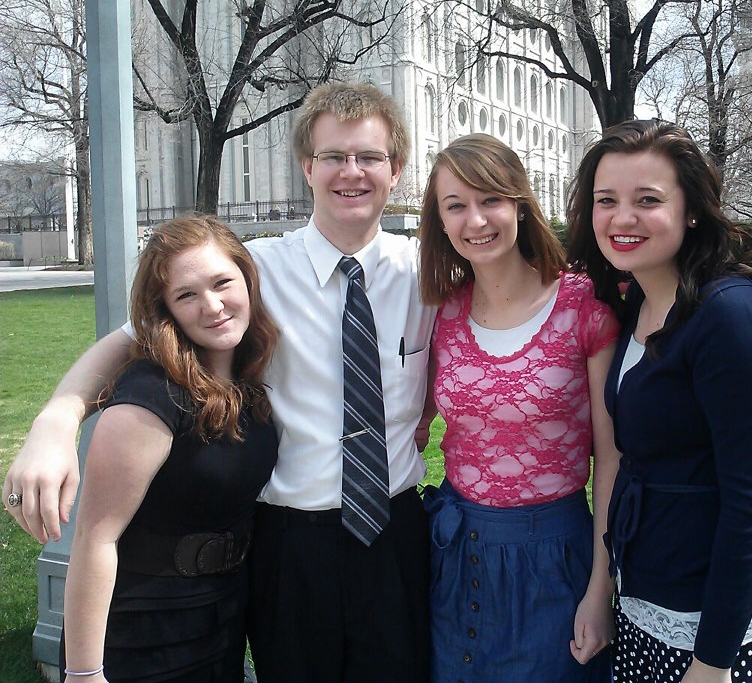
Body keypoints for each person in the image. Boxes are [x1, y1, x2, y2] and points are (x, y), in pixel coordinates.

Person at [3, 82, 435, 683]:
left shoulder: (429, 273)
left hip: (395, 530)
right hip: (290, 541)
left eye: (370, 157)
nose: (351, 172)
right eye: (334, 156)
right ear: (307, 167)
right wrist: (56, 420)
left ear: (398, 170)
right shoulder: (251, 271)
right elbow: (128, 342)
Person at [566, 119, 752, 683]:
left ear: (691, 209)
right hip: (645, 609)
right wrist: (604, 592)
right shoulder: (635, 305)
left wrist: (712, 664)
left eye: (647, 200)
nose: (622, 218)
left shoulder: (731, 316)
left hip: (721, 636)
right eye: (606, 200)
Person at [418, 134, 619, 682]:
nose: (475, 220)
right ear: (439, 220)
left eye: (490, 200)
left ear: (520, 205)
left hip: (553, 560)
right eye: (455, 206)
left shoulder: (583, 307)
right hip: (456, 556)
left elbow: (612, 461)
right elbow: (413, 422)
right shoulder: (441, 313)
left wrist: (601, 585)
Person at [60, 216, 280, 682]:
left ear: (247, 278)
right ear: (167, 311)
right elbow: (95, 538)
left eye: (223, 282)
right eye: (187, 295)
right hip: (144, 634)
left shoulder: (247, 383)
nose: (213, 305)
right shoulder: (151, 394)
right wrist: (83, 673)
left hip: (222, 619)